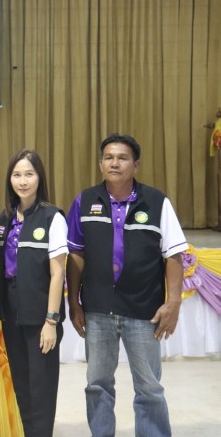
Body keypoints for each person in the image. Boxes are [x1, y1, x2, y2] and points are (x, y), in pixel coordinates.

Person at [66, 134, 188, 437]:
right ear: (100, 164)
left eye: (122, 158)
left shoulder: (157, 201)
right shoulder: (85, 201)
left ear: (136, 164)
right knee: (97, 385)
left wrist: (173, 302)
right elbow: (76, 254)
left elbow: (173, 254)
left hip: (143, 310)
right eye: (108, 157)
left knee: (149, 387)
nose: (114, 163)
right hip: (97, 310)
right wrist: (74, 302)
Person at [0, 149, 68, 437]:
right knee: (22, 386)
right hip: (11, 312)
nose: (22, 181)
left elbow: (57, 273)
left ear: (39, 177)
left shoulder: (52, 217)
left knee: (41, 388)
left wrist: (51, 321)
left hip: (40, 314)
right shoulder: (5, 218)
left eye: (29, 174)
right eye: (16, 175)